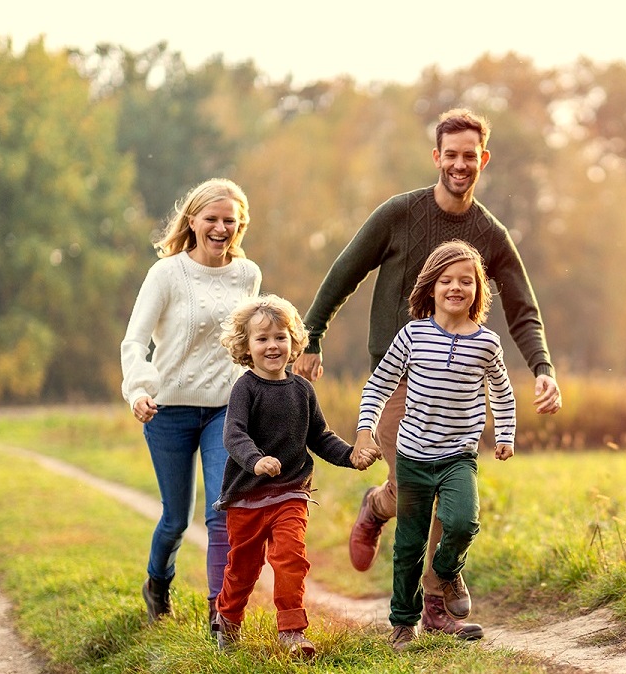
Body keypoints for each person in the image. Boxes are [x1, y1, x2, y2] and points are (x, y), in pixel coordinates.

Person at [294, 108, 563, 638]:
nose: (460, 165)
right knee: (413, 486)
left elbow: (521, 307)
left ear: (482, 160)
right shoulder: (399, 213)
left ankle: (436, 599)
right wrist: (313, 336)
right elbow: (344, 271)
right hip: (398, 375)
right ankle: (377, 507)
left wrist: (542, 368)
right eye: (451, 155)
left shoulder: (489, 233)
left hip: (458, 387)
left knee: (450, 489)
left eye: (470, 156)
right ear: (436, 157)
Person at [353, 240, 515, 651]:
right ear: (431, 287)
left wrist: (506, 435)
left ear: (478, 289)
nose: (455, 288)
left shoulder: (487, 343)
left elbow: (502, 392)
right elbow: (380, 384)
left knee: (463, 521)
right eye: (446, 280)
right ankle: (403, 623)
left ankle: (446, 572)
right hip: (412, 456)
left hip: (459, 454)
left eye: (466, 281)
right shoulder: (413, 334)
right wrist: (365, 429)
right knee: (409, 542)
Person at [120, 178, 261, 632]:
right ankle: (157, 583)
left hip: (226, 407)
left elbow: (249, 340)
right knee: (175, 519)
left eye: (229, 221)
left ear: (239, 226)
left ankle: (221, 615)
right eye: (212, 219)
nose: (220, 228)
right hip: (169, 409)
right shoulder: (166, 273)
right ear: (193, 221)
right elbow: (135, 340)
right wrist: (139, 390)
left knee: (222, 511)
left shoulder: (247, 274)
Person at [211, 294, 377, 656]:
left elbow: (319, 437)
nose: (273, 346)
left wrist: (352, 455)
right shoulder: (245, 388)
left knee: (291, 557)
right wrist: (255, 460)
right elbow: (233, 434)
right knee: (243, 568)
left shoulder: (302, 389)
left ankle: (291, 631)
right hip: (247, 496)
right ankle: (227, 618)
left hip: (291, 493)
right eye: (262, 339)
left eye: (280, 337)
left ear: (294, 341)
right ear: (246, 346)